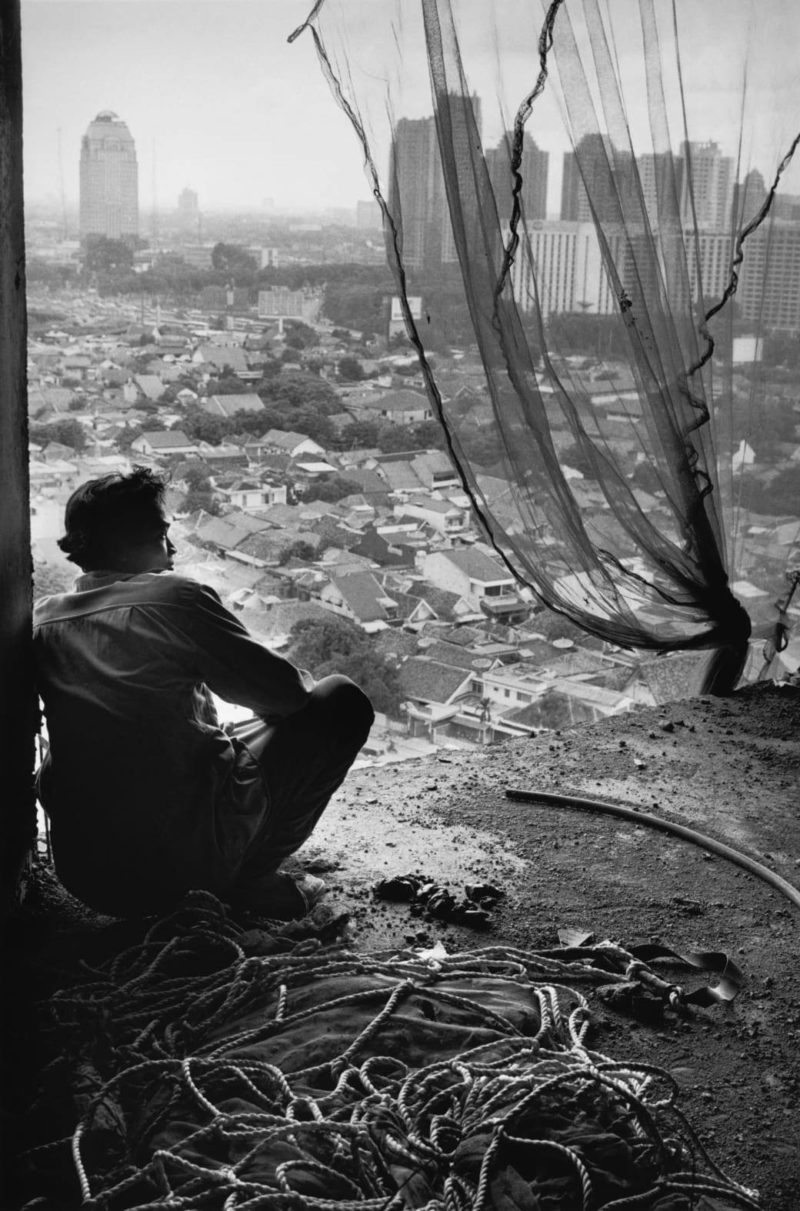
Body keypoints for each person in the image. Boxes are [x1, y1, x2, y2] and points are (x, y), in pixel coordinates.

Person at [32, 467, 374, 920]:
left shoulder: (42, 622)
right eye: (160, 534)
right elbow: (288, 696)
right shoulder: (173, 599)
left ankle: (222, 858)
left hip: (88, 877)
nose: (171, 549)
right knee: (339, 700)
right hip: (180, 871)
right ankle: (250, 877)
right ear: (128, 541)